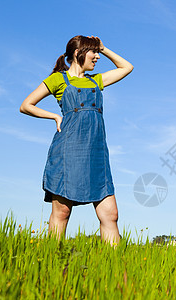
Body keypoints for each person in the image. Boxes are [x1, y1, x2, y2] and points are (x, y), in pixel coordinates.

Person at [20, 35, 133, 245]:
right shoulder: (57, 79)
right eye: (93, 52)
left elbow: (126, 67)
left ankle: (116, 270)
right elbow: (26, 105)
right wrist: (54, 116)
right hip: (68, 151)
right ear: (77, 53)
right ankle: (52, 263)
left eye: (98, 53)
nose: (97, 57)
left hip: (97, 154)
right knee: (62, 212)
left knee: (111, 214)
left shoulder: (96, 80)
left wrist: (103, 47)